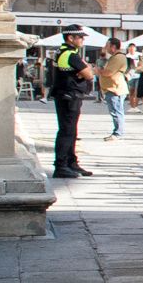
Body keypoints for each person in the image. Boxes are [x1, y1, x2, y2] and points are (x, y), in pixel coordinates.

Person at [49, 25, 95, 178]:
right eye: (80, 37)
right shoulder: (69, 54)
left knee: (71, 130)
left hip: (67, 95)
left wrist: (84, 71)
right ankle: (61, 165)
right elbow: (89, 74)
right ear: (70, 38)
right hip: (69, 96)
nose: (82, 40)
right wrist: (84, 72)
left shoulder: (63, 52)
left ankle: (71, 162)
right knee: (67, 131)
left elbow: (86, 72)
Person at [97, 38, 130, 140]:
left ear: (113, 47)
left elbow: (108, 72)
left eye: (107, 46)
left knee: (116, 111)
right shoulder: (114, 57)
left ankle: (118, 133)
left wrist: (97, 70)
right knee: (115, 111)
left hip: (115, 89)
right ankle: (117, 131)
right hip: (112, 88)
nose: (105, 48)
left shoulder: (118, 58)